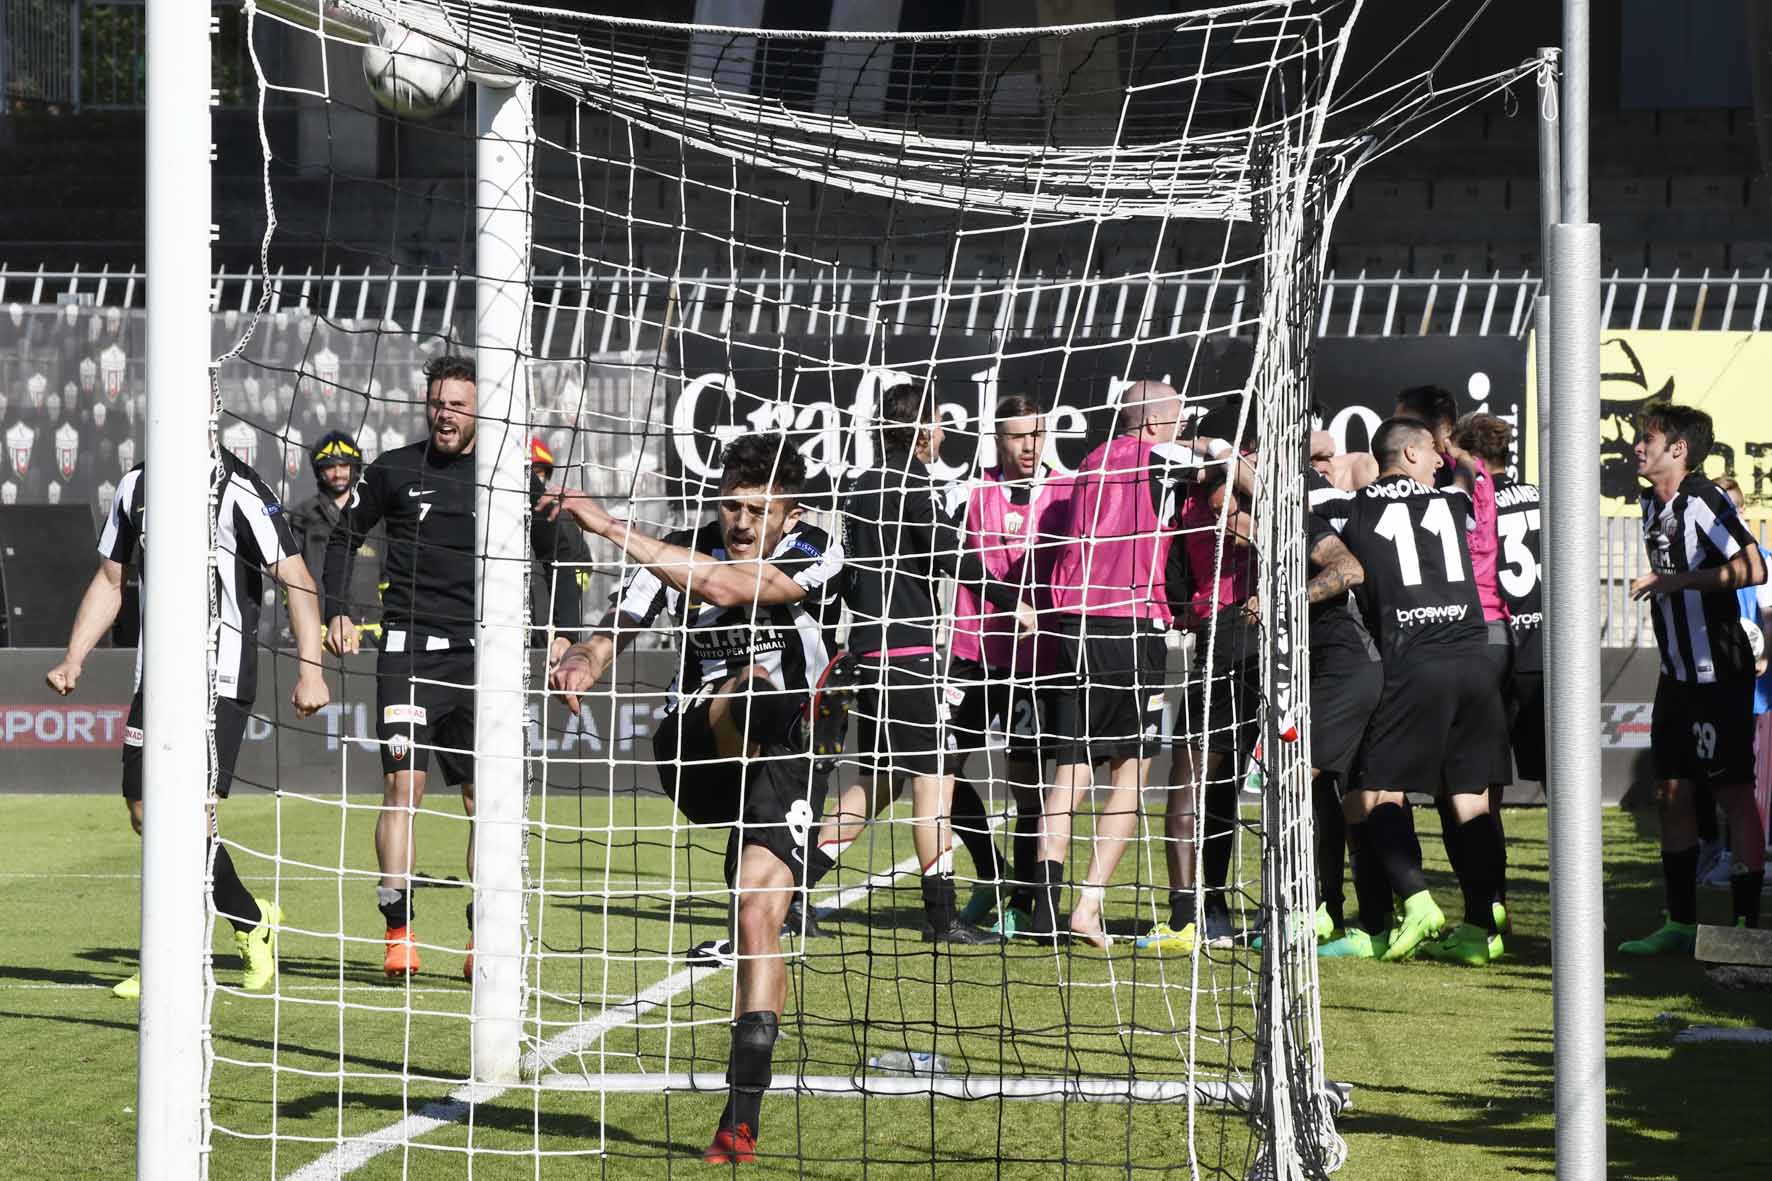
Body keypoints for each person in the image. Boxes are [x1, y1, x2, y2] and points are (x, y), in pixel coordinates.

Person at [545, 432, 851, 1166]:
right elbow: (622, 622)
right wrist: (585, 657)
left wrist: (606, 523)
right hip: (695, 747)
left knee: (755, 913)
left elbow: (727, 588)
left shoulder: (818, 548)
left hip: (786, 758)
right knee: (752, 687)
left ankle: (739, 1118)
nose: (741, 522)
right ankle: (769, 727)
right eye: (731, 506)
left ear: (790, 512)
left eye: (758, 510)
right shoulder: (682, 549)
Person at [321, 354, 583, 979]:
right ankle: (398, 930)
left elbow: (562, 552)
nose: (445, 414)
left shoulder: (510, 477)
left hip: (486, 658)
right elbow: (342, 538)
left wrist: (565, 635)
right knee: (403, 788)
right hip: (408, 651)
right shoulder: (393, 469)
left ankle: (481, 937)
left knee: (482, 799)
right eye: (437, 403)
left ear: (479, 411)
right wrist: (337, 610)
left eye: (458, 405)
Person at [46, 452, 331, 998]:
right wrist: (74, 658)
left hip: (219, 677)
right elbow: (110, 579)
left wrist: (311, 672)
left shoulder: (238, 487)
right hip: (155, 679)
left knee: (190, 814)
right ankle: (252, 919)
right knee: (144, 812)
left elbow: (296, 578)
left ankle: (167, 958)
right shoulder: (135, 485)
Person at [809, 385, 1033, 944]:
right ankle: (942, 918)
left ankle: (790, 888)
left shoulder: (861, 485)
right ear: (922, 430)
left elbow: (849, 572)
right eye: (937, 423)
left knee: (877, 785)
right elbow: (949, 554)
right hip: (906, 655)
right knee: (936, 783)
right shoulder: (911, 482)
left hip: (869, 651)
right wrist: (1009, 600)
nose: (941, 433)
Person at [1036, 381, 1238, 947]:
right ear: (1154, 424)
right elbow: (1228, 463)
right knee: (1131, 772)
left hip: (1074, 626)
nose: (1181, 429)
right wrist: (1209, 446)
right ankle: (1087, 906)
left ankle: (1044, 907)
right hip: (1131, 626)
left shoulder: (1088, 464)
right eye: (1177, 421)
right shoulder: (1160, 457)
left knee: (1071, 769)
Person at [1315, 417, 1507, 965]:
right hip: (1475, 658)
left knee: (1372, 793)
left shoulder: (1349, 509)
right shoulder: (1453, 502)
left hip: (1414, 660)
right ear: (1413, 454)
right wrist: (1458, 455)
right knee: (1470, 798)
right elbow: (1467, 475)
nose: (1440, 461)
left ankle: (1417, 902)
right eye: (1433, 453)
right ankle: (1480, 929)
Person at [1619, 405, 1768, 953]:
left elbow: (1754, 567)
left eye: (1648, 438)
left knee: (1733, 793)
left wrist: (1678, 580)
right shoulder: (1649, 503)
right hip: (1676, 676)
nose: (1638, 446)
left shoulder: (1703, 499)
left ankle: (1746, 929)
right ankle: (1680, 923)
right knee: (1671, 792)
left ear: (1678, 450)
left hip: (1719, 673)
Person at [942, 395, 1073, 936]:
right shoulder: (970, 492)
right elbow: (944, 553)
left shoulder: (1068, 491)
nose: (1029, 445)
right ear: (997, 439)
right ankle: (989, 870)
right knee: (939, 768)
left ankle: (1023, 898)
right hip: (972, 654)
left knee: (1027, 785)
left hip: (1037, 663)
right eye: (1017, 436)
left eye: (1037, 434)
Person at [1400, 391, 1517, 938]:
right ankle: (1490, 907)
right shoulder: (1476, 481)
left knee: (1461, 791)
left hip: (1469, 634)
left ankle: (1480, 916)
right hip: (1492, 635)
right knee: (1475, 791)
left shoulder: (1459, 481)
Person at [1299, 465, 1384, 958]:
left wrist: (1289, 599)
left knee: (1303, 783)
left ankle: (1322, 909)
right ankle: (1334, 908)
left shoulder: (1305, 527)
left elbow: (1351, 570)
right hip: (1328, 668)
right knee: (1333, 794)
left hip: (1349, 668)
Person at [289, 430, 383, 648]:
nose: (338, 473)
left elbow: (388, 576)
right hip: (320, 635)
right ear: (319, 471)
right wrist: (299, 626)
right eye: (330, 467)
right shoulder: (302, 517)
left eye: (344, 465)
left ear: (356, 467)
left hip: (372, 634)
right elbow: (290, 580)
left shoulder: (377, 517)